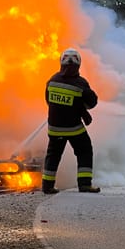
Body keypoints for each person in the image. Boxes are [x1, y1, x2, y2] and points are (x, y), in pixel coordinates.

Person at [41, 48, 100, 194]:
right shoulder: (80, 83)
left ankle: (47, 186)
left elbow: (48, 101)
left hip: (54, 128)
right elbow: (92, 102)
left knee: (53, 155)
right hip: (74, 128)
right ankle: (85, 184)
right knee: (85, 151)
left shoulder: (52, 80)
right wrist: (81, 108)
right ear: (78, 64)